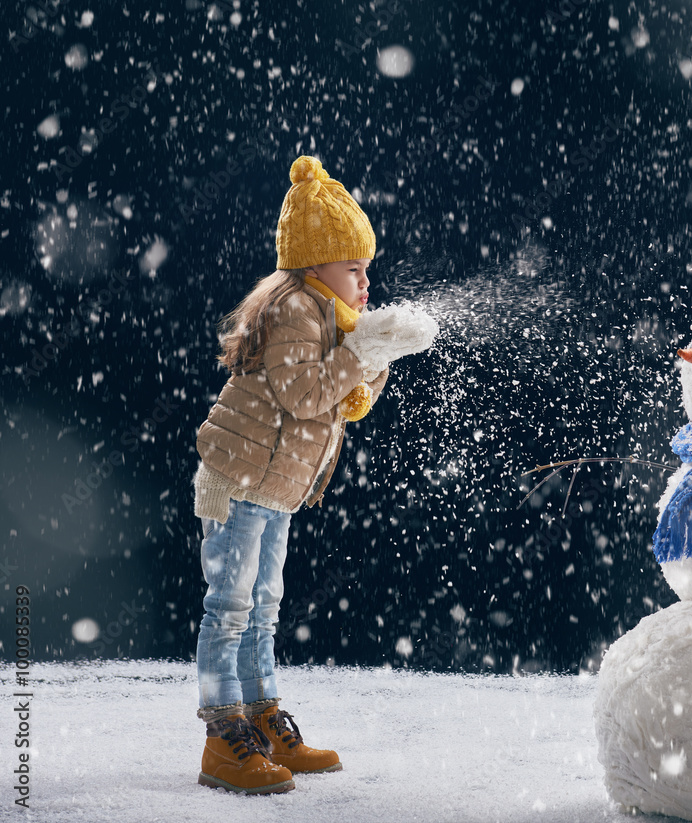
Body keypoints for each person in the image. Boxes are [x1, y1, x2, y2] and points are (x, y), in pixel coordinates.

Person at [192, 155, 418, 795]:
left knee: (263, 609)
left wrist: (376, 356)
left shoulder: (327, 313)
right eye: (354, 268)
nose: (365, 280)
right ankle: (221, 739)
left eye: (367, 268)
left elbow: (347, 401)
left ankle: (261, 720)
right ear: (316, 266)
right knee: (230, 609)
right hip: (238, 484)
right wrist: (358, 353)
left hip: (273, 490)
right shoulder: (294, 308)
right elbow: (302, 395)